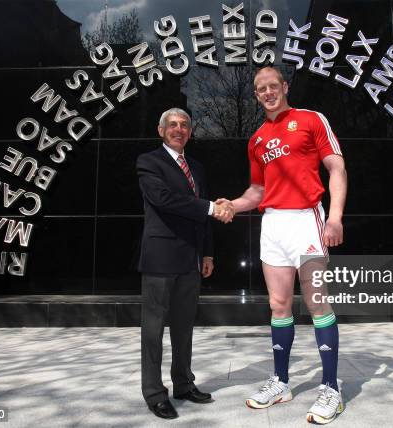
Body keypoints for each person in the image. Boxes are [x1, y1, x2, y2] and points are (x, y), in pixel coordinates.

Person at [219, 66, 348, 424]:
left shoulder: (310, 119)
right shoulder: (257, 139)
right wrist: (232, 204)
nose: (268, 92)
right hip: (273, 224)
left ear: (285, 87)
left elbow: (336, 169)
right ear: (256, 95)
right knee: (278, 304)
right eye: (261, 89)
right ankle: (281, 382)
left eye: (273, 85)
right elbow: (257, 191)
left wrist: (335, 217)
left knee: (316, 301)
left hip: (307, 219)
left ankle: (331, 389)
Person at [136, 108, 233, 419]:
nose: (179, 129)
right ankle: (154, 393)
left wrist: (208, 253)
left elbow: (201, 220)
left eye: (185, 125)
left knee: (183, 327)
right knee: (153, 330)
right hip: (161, 259)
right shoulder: (149, 162)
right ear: (161, 130)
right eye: (173, 125)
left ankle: (183, 384)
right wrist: (209, 207)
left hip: (191, 259)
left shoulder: (197, 168)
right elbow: (164, 199)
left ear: (190, 132)